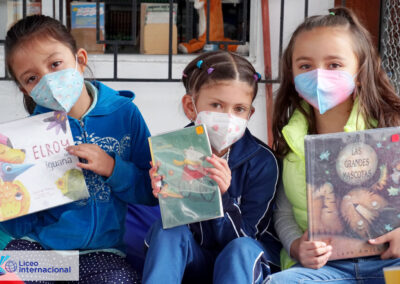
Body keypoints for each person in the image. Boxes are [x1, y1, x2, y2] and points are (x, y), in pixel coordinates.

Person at [2, 14, 158, 283]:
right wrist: (7, 197)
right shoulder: (24, 139)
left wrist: (113, 168)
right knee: (9, 272)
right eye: (31, 78)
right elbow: (18, 226)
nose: (47, 80)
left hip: (102, 253)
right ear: (25, 90)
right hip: (43, 251)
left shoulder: (125, 115)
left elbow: (151, 192)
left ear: (80, 60)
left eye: (55, 64)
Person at [267, 7, 400, 284]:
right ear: (292, 74)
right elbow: (284, 212)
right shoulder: (291, 139)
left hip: (390, 261)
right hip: (327, 270)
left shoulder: (391, 130)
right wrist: (296, 246)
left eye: (334, 65)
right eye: (305, 66)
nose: (319, 75)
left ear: (361, 70)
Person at [142, 50, 281, 284]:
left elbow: (247, 237)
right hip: (194, 260)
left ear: (249, 113)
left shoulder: (262, 162)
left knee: (242, 247)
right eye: (216, 105)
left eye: (239, 109)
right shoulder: (173, 151)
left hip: (239, 265)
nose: (228, 117)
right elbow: (176, 231)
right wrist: (161, 192)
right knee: (167, 230)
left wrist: (223, 198)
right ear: (190, 106)